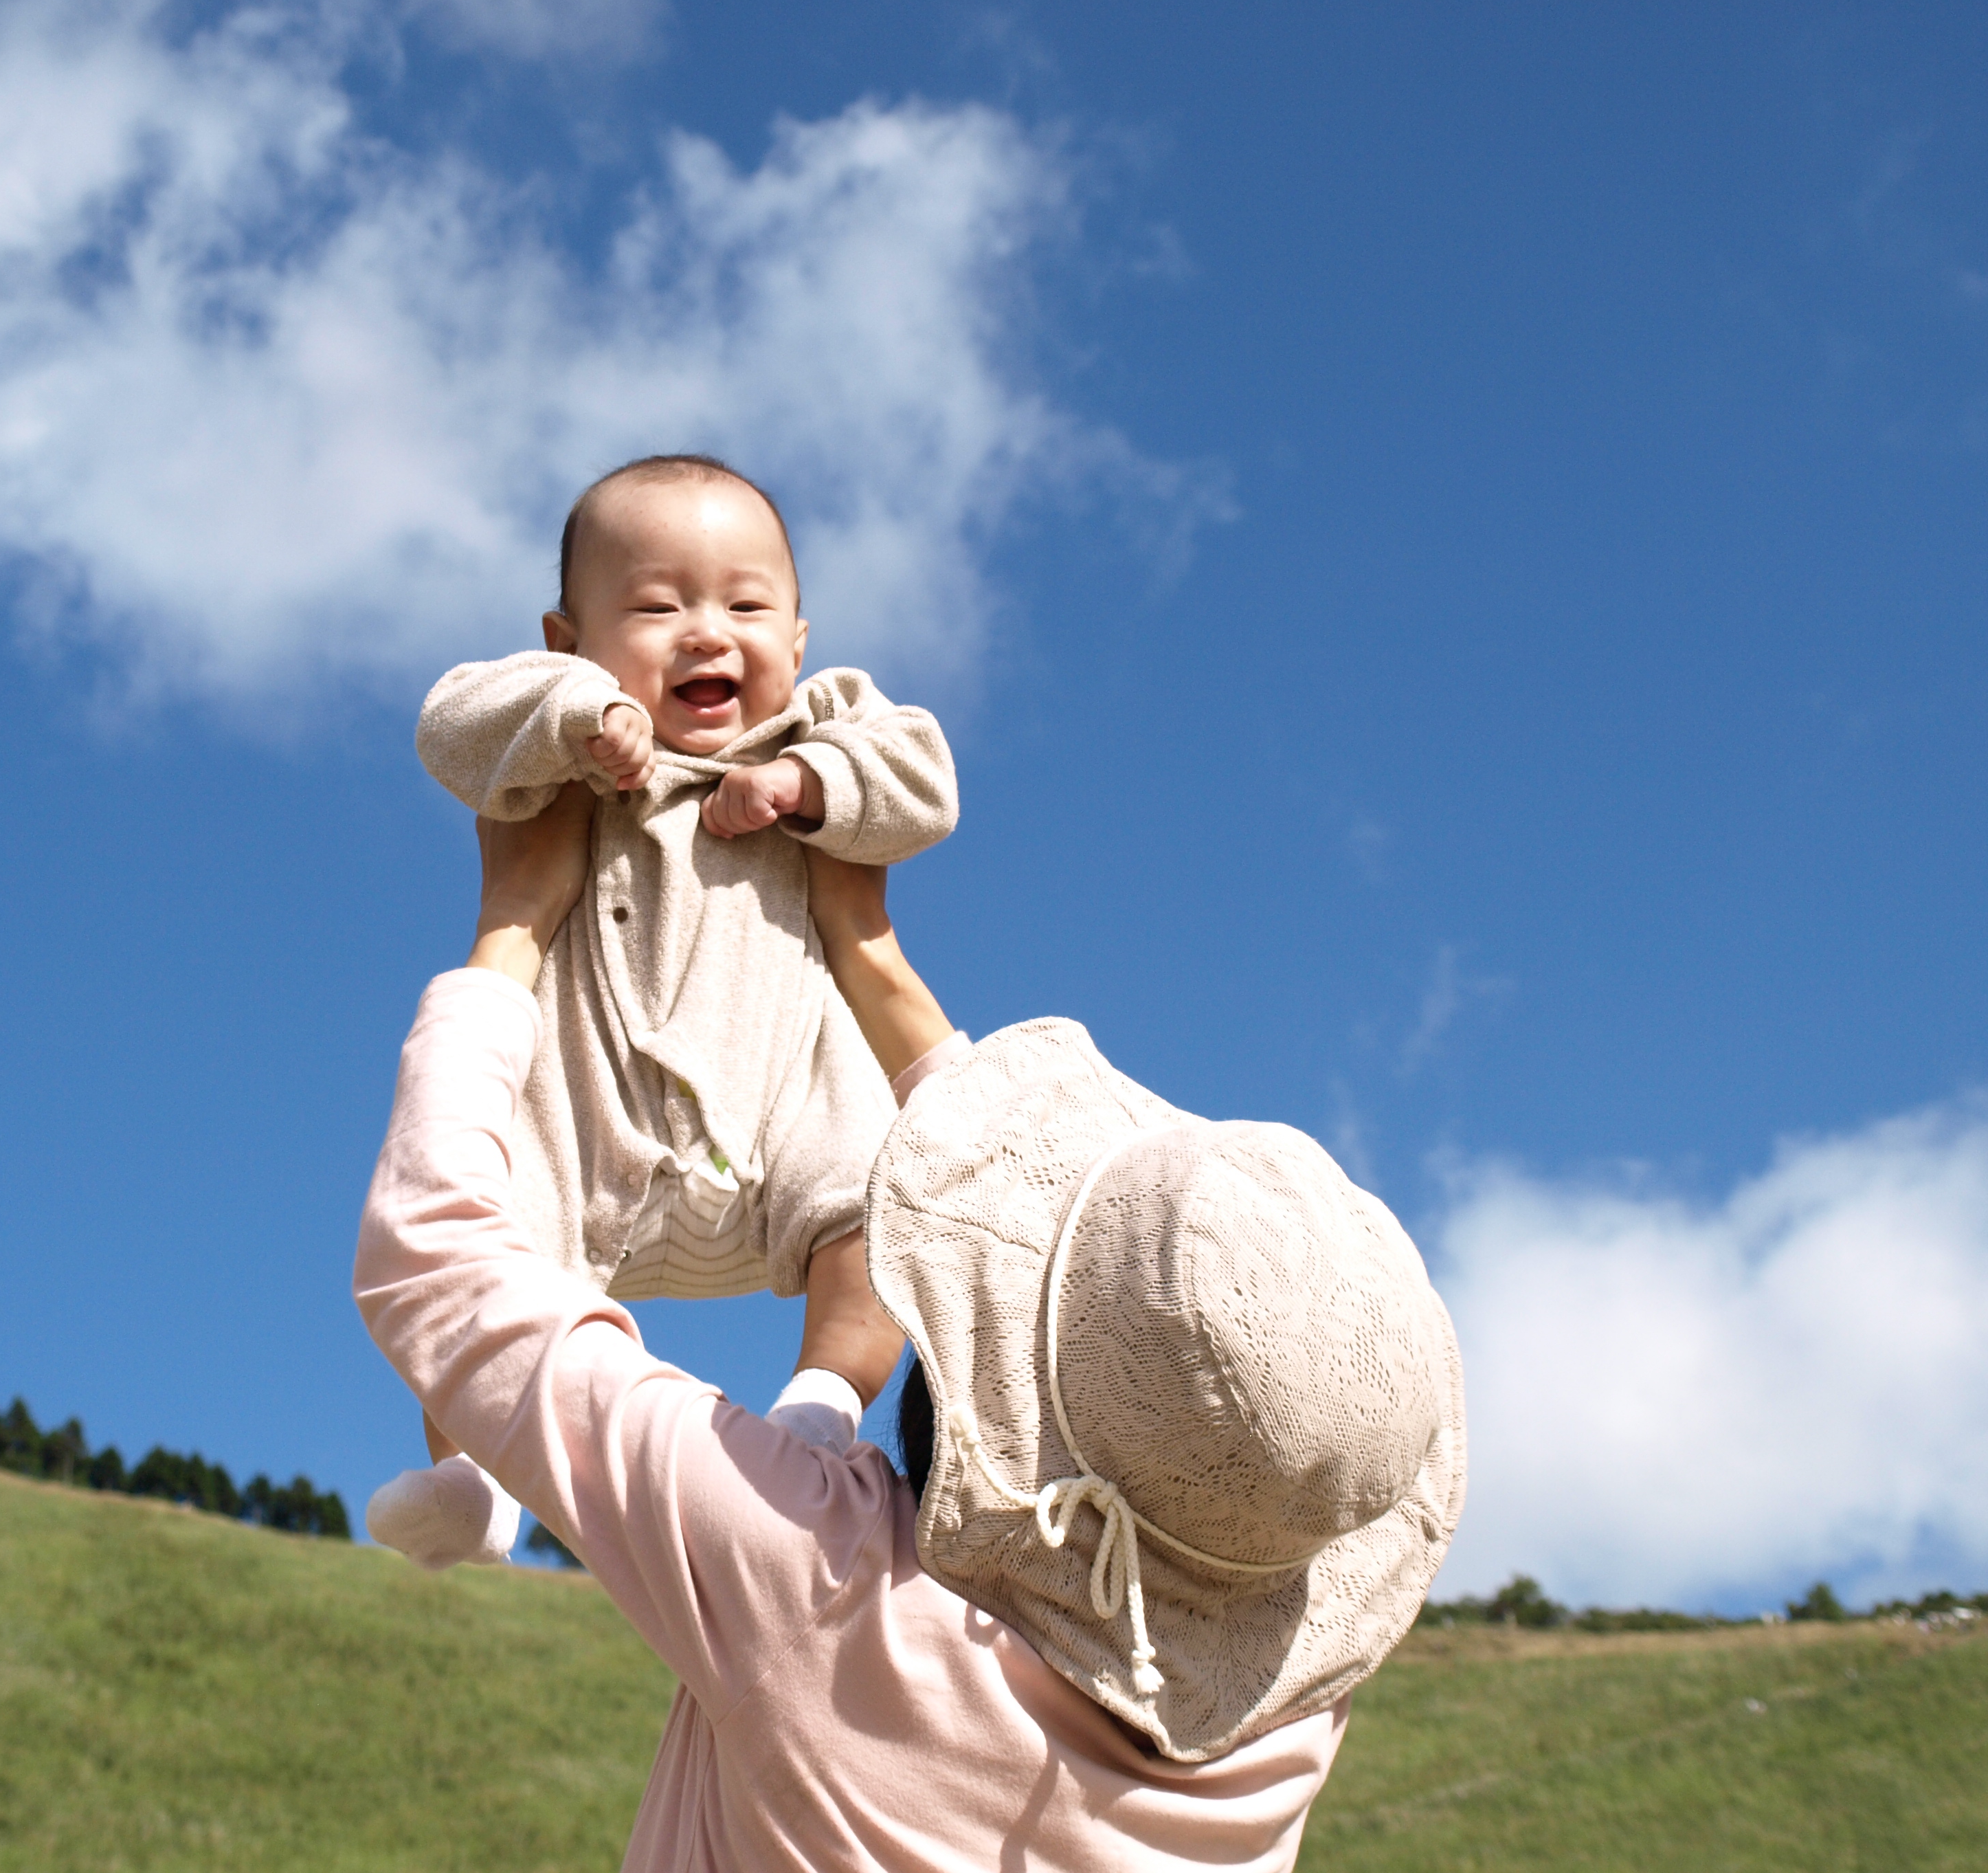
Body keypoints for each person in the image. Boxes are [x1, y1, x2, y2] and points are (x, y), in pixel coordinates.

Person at [352, 788, 1468, 1868]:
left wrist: (511, 929)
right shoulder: (1280, 1738)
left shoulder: (816, 1594)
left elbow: (435, 1260)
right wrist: (867, 950)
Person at [368, 454, 957, 1569]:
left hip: (780, 1110)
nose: (704, 632)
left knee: (887, 1207)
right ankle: (477, 1480)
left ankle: (820, 1407)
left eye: (745, 604)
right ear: (567, 636)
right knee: (481, 1226)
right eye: (654, 606)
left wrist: (810, 785)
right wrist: (578, 718)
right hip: (592, 1117)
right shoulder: (565, 747)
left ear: (798, 640)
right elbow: (451, 721)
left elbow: (925, 781)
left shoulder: (819, 729)